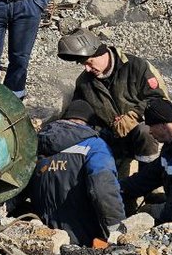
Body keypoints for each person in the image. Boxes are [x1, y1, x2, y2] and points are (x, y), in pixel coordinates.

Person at [56, 30, 168, 176]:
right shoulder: (83, 82)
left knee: (144, 131)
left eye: (89, 62)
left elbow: (158, 99)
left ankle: (150, 182)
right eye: (83, 64)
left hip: (138, 134)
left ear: (101, 53)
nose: (87, 68)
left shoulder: (136, 66)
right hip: (108, 139)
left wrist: (132, 117)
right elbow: (80, 115)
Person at [28, 99, 125, 246]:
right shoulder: (95, 145)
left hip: (45, 238)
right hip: (84, 239)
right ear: (89, 124)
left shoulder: (39, 143)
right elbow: (103, 189)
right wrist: (116, 228)